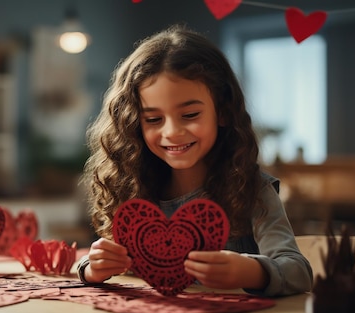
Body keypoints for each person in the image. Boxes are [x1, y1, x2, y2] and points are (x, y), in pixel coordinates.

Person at [76, 23, 313, 297]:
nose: (172, 132)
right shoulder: (136, 191)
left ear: (223, 112)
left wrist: (249, 270)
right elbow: (99, 258)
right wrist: (92, 268)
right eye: (153, 119)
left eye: (190, 115)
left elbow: (299, 272)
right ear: (133, 125)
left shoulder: (253, 191)